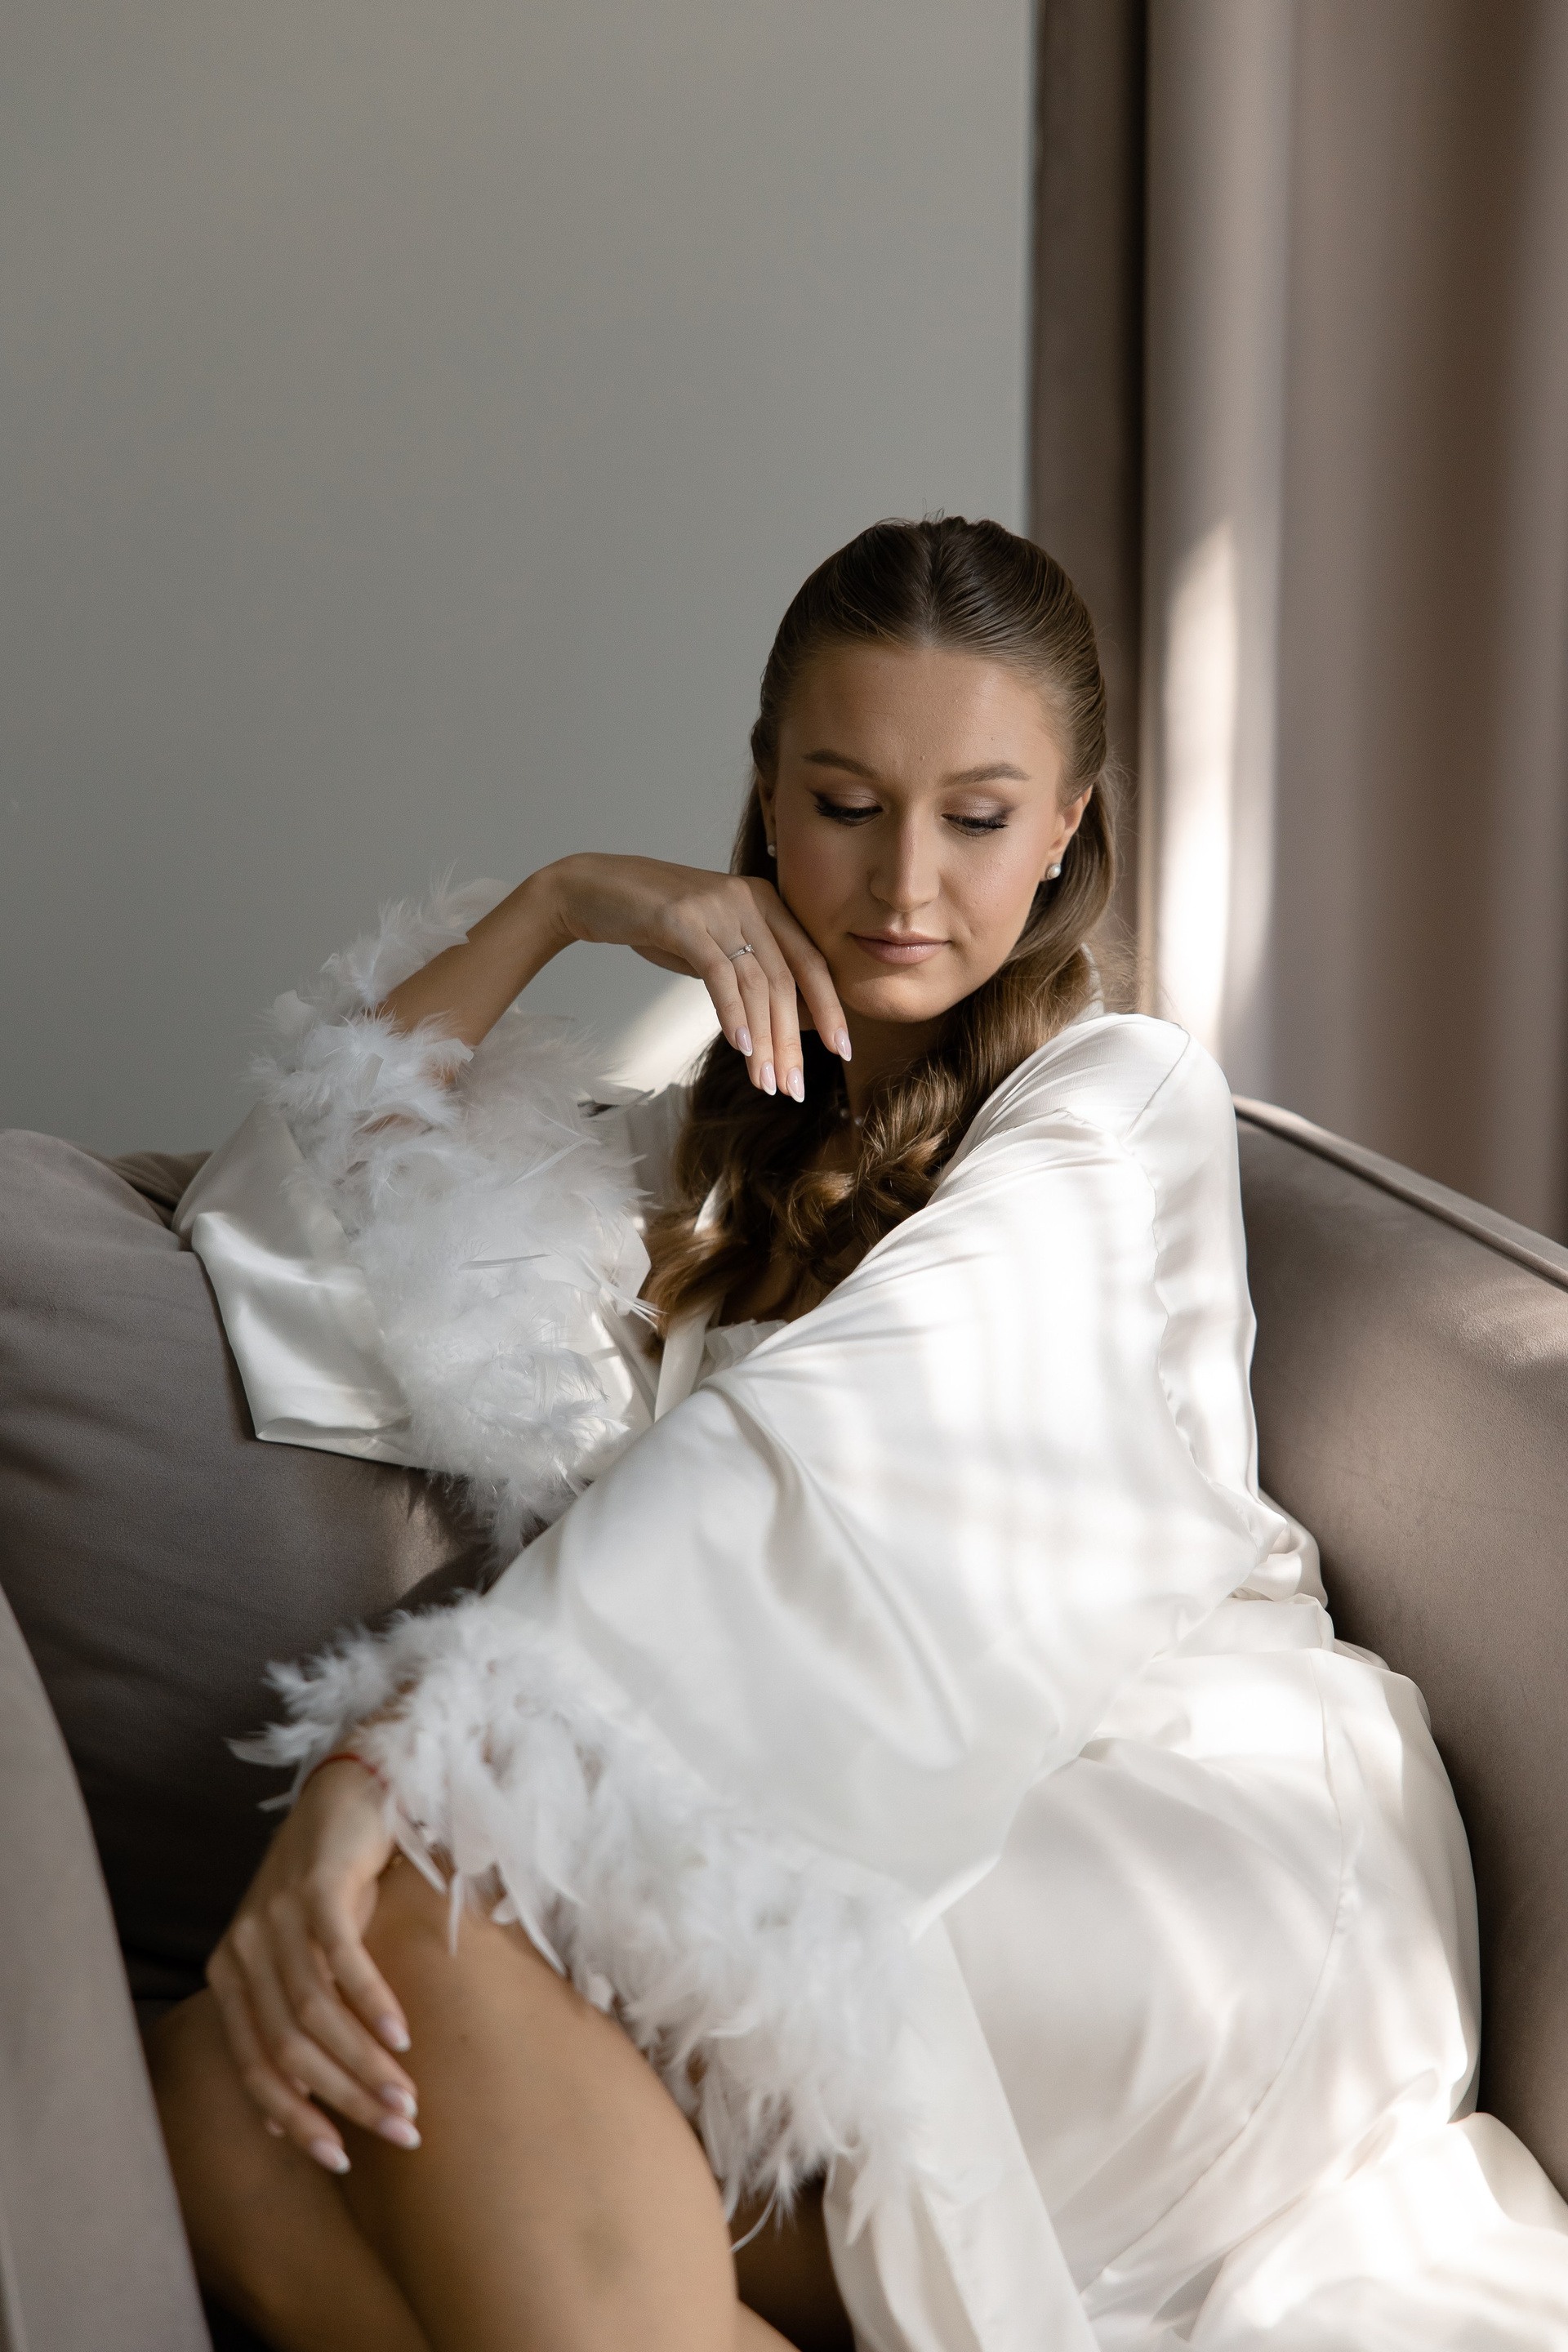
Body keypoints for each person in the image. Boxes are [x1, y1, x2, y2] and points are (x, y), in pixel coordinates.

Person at [149, 519, 1568, 2352]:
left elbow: (846, 1457)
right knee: (216, 2095)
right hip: (841, 1830)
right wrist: (565, 901)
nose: (905, 883)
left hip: (1174, 1845)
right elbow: (305, 1193)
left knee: (412, 1930)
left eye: (978, 818)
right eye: (844, 804)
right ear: (765, 797)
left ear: (1065, 830)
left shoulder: (1118, 1095)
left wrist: (412, 1760)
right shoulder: (698, 1162)